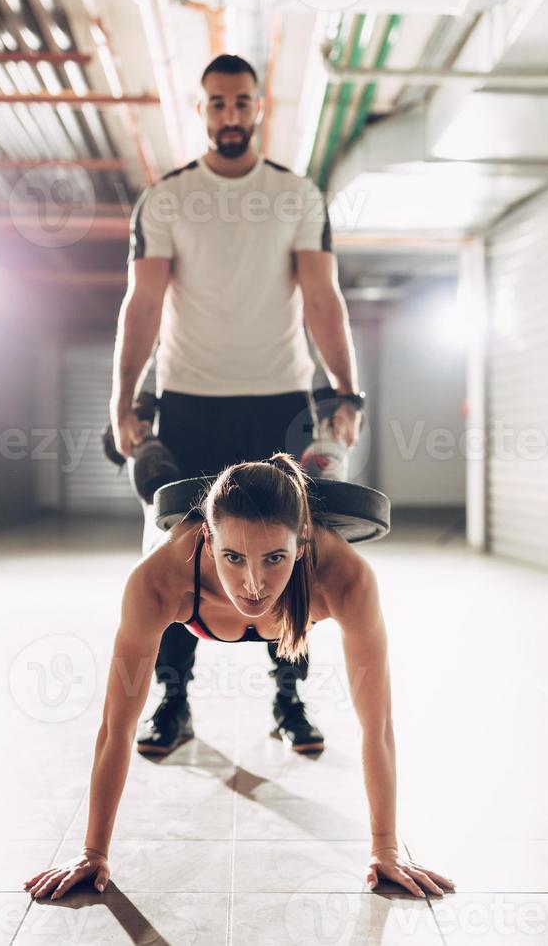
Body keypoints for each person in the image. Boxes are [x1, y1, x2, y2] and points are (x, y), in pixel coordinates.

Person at [23, 455, 456, 902]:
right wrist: (93, 852)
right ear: (208, 541)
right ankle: (178, 703)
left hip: (297, 584)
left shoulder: (345, 580)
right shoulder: (159, 580)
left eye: (275, 558)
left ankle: (288, 703)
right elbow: (117, 727)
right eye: (234, 557)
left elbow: (378, 725)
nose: (254, 583)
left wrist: (385, 848)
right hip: (190, 583)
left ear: (303, 543)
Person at [110, 52, 366, 755]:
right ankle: (174, 700)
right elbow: (143, 306)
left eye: (241, 103)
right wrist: (122, 400)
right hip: (189, 403)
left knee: (291, 551)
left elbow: (322, 300)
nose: (230, 116)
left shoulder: (296, 195)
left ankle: (288, 700)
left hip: (278, 402)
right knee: (179, 551)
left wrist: (345, 389)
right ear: (202, 111)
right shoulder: (165, 199)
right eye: (217, 104)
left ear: (259, 108)